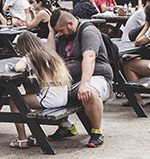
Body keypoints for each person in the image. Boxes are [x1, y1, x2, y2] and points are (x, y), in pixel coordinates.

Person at [47, 9, 112, 148]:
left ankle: (96, 132)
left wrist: (85, 84)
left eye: (61, 30)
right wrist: (51, 33)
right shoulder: (62, 35)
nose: (60, 34)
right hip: (71, 82)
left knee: (89, 93)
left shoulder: (88, 31)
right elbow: (50, 58)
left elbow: (89, 57)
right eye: (57, 31)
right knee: (44, 91)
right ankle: (66, 127)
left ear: (71, 23)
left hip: (96, 76)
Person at [8, 31, 72, 149]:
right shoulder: (49, 53)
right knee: (30, 91)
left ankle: (22, 139)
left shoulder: (32, 55)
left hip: (51, 98)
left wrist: (24, 59)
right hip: (62, 97)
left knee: (14, 101)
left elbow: (18, 68)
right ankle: (35, 136)